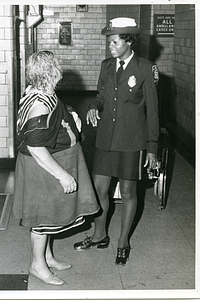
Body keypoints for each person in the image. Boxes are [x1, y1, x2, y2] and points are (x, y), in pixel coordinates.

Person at [74, 18, 159, 266]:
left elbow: (153, 112)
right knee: (100, 190)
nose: (110, 46)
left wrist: (152, 147)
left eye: (114, 41)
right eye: (109, 42)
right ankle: (100, 235)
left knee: (129, 192)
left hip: (132, 141)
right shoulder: (106, 66)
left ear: (128, 41)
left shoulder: (146, 68)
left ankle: (123, 242)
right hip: (105, 140)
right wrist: (93, 106)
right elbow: (102, 95)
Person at [12, 51, 99, 285]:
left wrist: (70, 115)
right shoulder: (39, 104)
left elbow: (56, 111)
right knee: (42, 219)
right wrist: (62, 175)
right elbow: (36, 147)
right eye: (56, 67)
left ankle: (47, 257)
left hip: (47, 163)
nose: (60, 71)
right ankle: (37, 265)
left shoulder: (42, 92)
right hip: (41, 167)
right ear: (51, 72)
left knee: (49, 215)